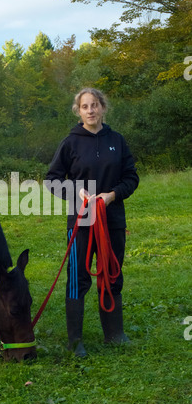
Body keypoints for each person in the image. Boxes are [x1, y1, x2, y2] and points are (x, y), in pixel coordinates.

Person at [46, 87, 139, 357]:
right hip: (81, 220)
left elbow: (131, 177)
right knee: (78, 278)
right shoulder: (70, 142)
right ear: (78, 111)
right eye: (85, 106)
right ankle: (75, 341)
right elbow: (52, 179)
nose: (91, 110)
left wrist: (112, 195)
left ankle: (115, 334)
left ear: (103, 108)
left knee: (111, 272)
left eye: (95, 105)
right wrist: (75, 192)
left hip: (112, 220)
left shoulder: (117, 141)